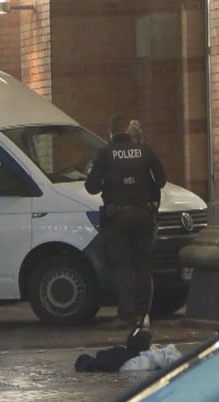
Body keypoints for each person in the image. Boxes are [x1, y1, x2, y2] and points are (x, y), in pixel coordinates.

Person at [85, 114, 166, 330]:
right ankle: (142, 314)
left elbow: (91, 187)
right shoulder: (145, 151)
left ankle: (126, 315)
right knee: (142, 266)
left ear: (111, 132)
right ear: (128, 129)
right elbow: (161, 180)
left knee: (122, 267)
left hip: (117, 218)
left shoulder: (105, 154)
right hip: (143, 216)